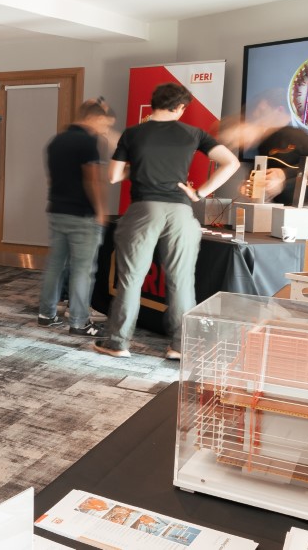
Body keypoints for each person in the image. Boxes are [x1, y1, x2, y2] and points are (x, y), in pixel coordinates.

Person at [94, 83, 241, 360]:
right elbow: (230, 163)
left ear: (154, 104)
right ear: (180, 108)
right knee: (182, 280)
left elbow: (113, 176)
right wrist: (199, 193)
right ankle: (180, 346)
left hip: (143, 210)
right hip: (180, 212)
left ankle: (118, 342)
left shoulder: (134, 133)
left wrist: (138, 168)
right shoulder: (194, 133)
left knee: (131, 279)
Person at [37, 99, 115, 335]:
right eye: (106, 125)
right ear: (96, 118)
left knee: (55, 265)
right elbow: (92, 180)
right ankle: (80, 322)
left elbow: (53, 178)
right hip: (82, 216)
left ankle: (46, 314)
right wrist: (101, 211)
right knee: (83, 269)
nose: (106, 130)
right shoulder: (87, 143)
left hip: (57, 210)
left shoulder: (56, 141)